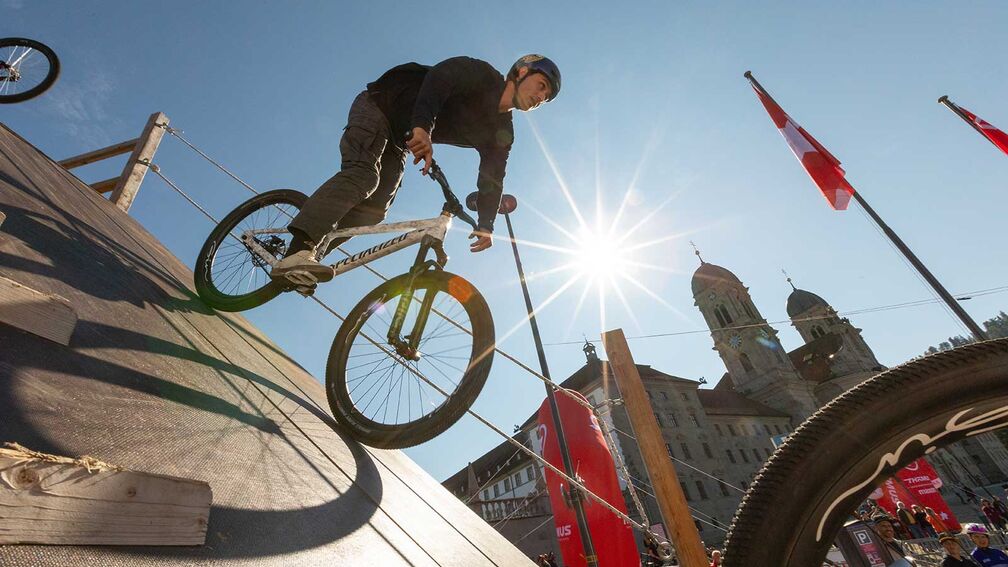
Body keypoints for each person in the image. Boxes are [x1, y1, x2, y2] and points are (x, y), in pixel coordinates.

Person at [271, 54, 561, 284]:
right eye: (541, 86)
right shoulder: (482, 76)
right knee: (364, 175)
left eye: (545, 99)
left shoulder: (502, 131)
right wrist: (422, 126)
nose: (540, 98)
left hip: (398, 138)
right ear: (522, 71)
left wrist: (486, 224)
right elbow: (438, 80)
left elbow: (493, 176)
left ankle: (309, 260)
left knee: (376, 209)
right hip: (379, 105)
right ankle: (299, 248)